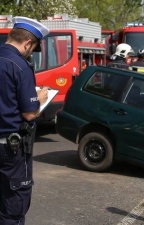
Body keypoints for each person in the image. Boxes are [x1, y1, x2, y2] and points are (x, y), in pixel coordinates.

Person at [0, 16, 49, 224]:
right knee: (13, 209)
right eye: (33, 48)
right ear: (28, 43)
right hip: (10, 150)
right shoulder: (20, 65)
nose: (31, 53)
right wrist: (39, 99)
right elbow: (29, 113)